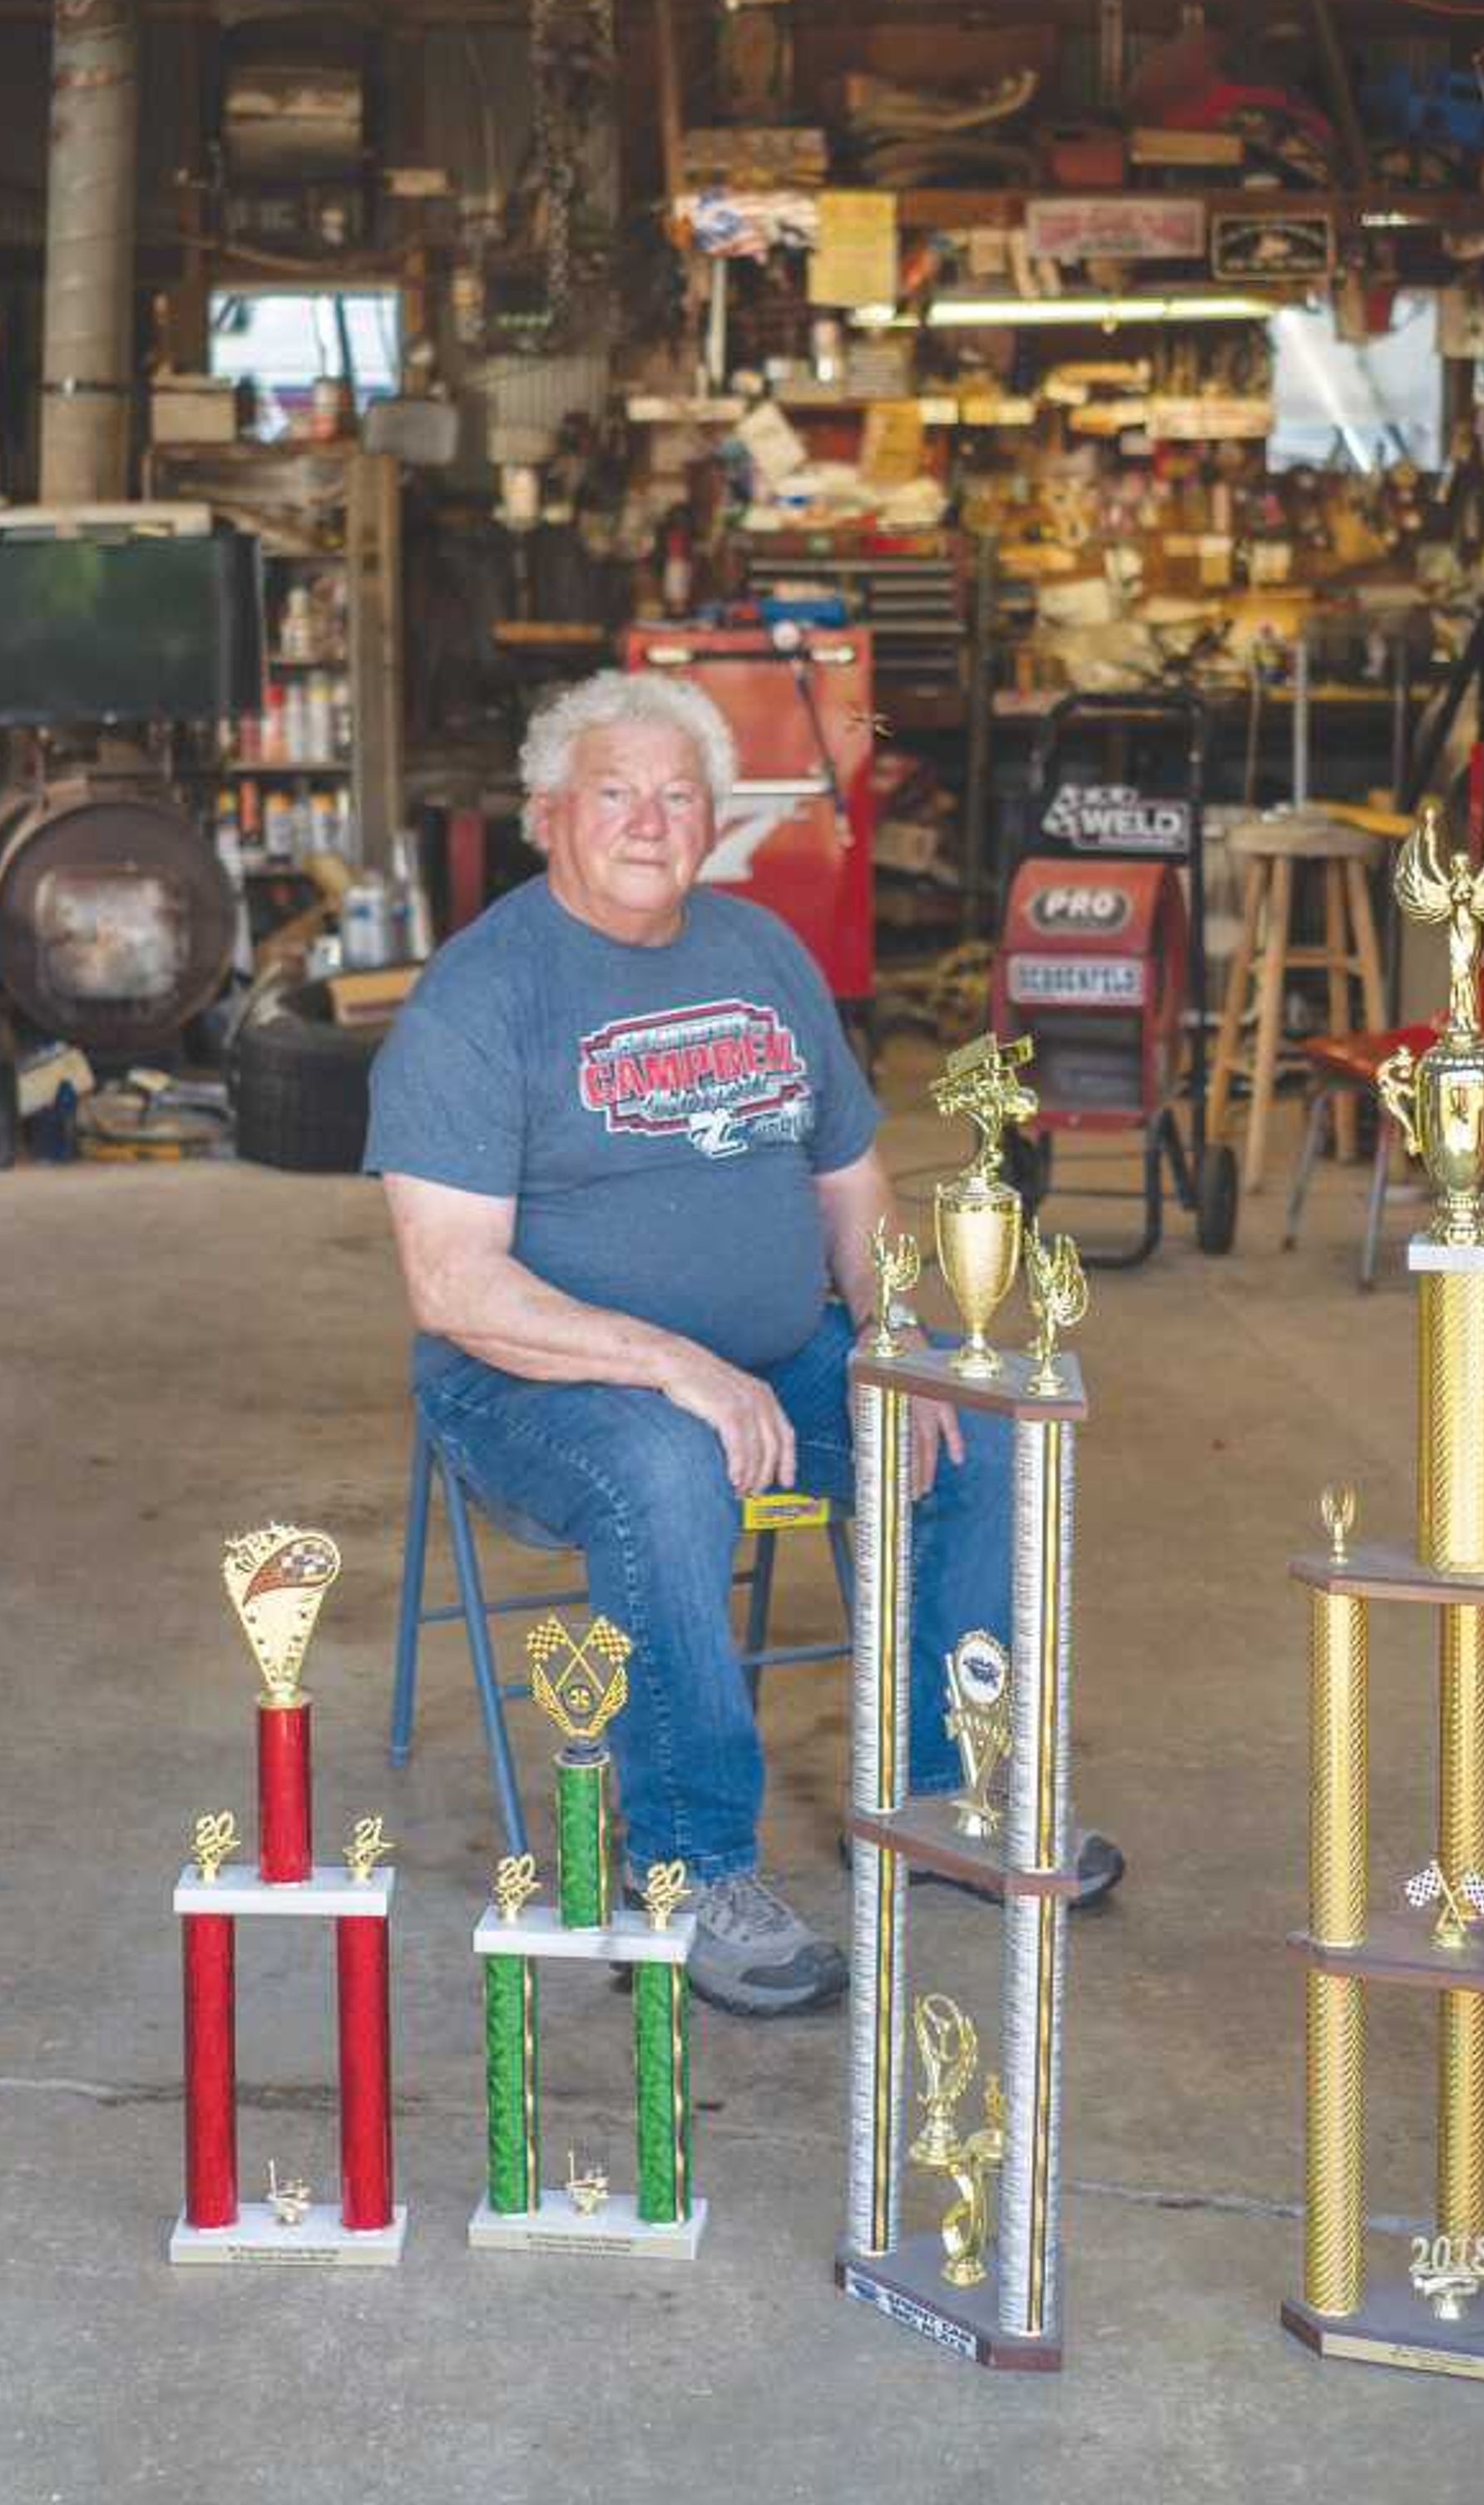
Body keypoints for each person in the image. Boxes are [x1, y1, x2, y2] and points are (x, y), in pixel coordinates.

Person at [369, 669, 1122, 2019]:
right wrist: (675, 1364)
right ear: (550, 813)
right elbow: (454, 1284)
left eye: (679, 795)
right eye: (616, 793)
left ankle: (943, 1787)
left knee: (973, 1423)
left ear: (714, 818)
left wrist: (896, 1335)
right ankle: (691, 1867)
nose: (652, 821)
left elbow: (849, 1180)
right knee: (669, 1470)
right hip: (539, 1380)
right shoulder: (480, 998)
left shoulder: (764, 952)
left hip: (775, 1355)